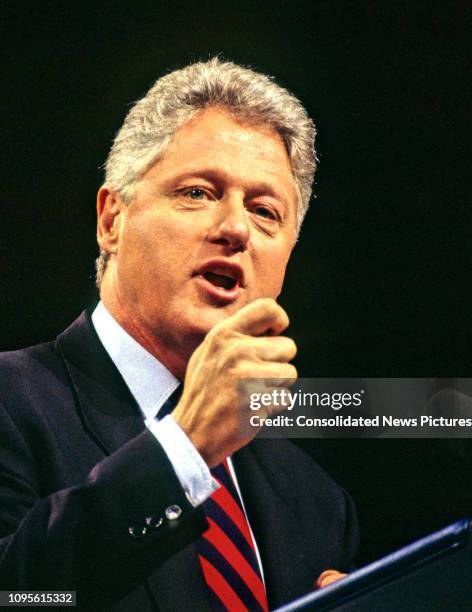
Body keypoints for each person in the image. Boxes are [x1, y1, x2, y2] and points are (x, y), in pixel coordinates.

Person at [0, 58, 358, 610]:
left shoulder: (316, 502)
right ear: (111, 220)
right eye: (197, 193)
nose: (236, 228)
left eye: (265, 210)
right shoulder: (12, 406)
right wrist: (184, 448)